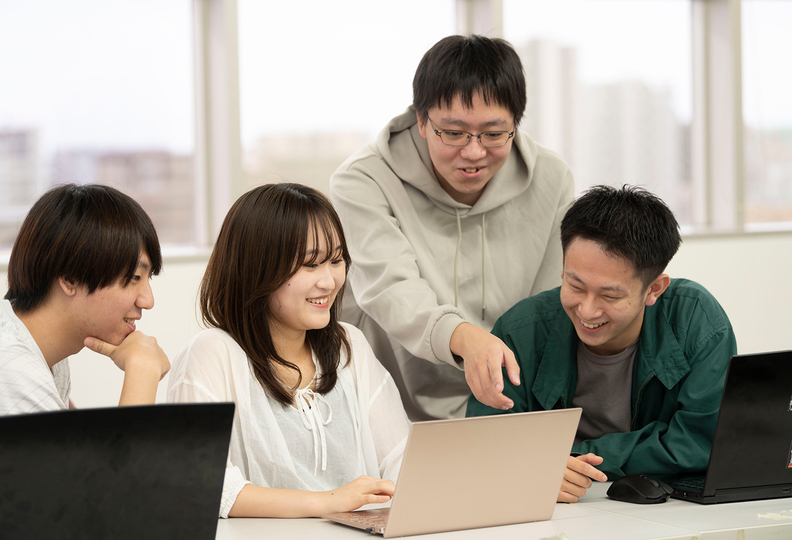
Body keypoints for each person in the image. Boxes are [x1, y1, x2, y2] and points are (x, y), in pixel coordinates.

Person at [330, 34, 575, 421]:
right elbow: (391, 288)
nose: (474, 152)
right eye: (454, 132)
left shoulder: (552, 178)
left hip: (506, 404)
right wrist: (466, 338)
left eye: (494, 134)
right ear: (422, 120)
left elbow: (548, 308)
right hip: (385, 405)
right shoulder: (363, 180)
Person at [467, 185, 737, 503]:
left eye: (609, 295)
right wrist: (532, 470)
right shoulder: (521, 330)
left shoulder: (695, 319)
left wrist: (566, 458)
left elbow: (704, 440)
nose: (587, 310)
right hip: (551, 509)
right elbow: (482, 446)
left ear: (654, 289)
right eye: (574, 284)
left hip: (664, 510)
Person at [167, 183, 410, 519]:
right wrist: (329, 502)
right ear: (256, 270)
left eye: (336, 259)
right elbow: (203, 483)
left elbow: (403, 460)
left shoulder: (348, 345)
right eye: (310, 265)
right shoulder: (213, 354)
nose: (329, 281)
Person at [1, 183, 170, 415]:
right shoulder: (11, 368)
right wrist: (143, 371)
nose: (147, 301)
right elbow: (126, 453)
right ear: (70, 279)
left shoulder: (46, 360)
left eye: (146, 279)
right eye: (134, 277)